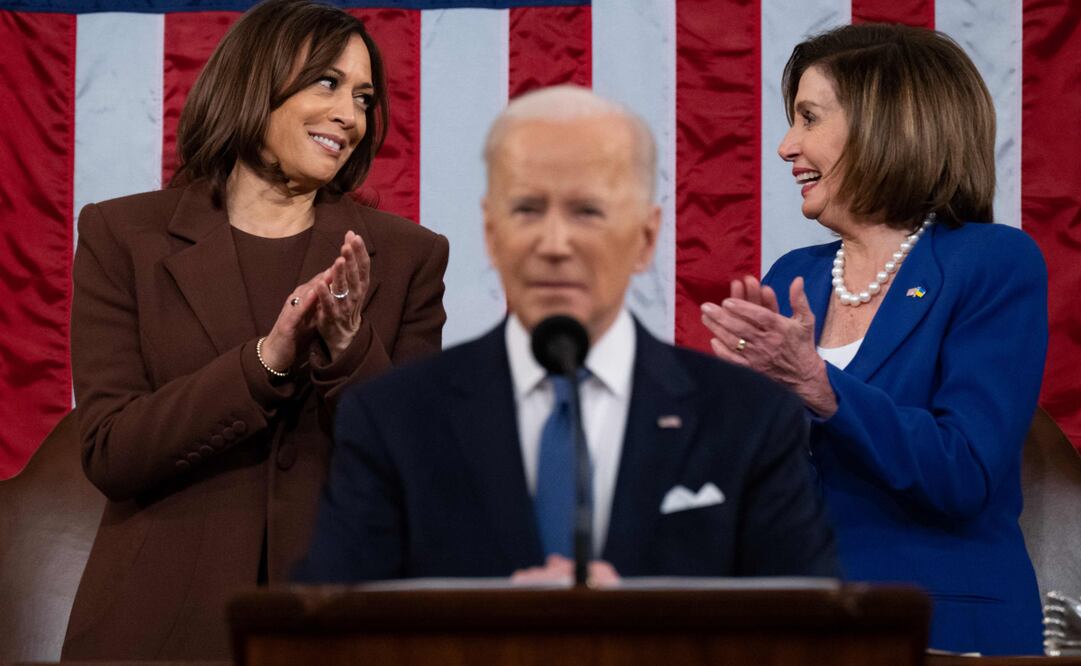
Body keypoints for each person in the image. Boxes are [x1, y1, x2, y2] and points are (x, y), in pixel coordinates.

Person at [294, 85, 838, 584]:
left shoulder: (746, 419)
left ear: (646, 238)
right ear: (491, 233)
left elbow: (809, 631)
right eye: (528, 209)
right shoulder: (394, 418)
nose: (555, 242)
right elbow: (327, 630)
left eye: (587, 211)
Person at [62, 0, 448, 659]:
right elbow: (110, 452)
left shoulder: (407, 254)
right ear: (252, 80)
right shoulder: (122, 236)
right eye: (326, 83)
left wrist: (350, 346)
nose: (350, 115)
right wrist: (263, 362)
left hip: (341, 625)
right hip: (161, 628)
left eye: (363, 97)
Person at [700, 24, 1047, 655]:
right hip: (794, 626)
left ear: (886, 124)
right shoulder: (794, 276)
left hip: (941, 630)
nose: (785, 146)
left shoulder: (993, 263)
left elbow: (963, 472)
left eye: (808, 118)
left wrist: (817, 386)